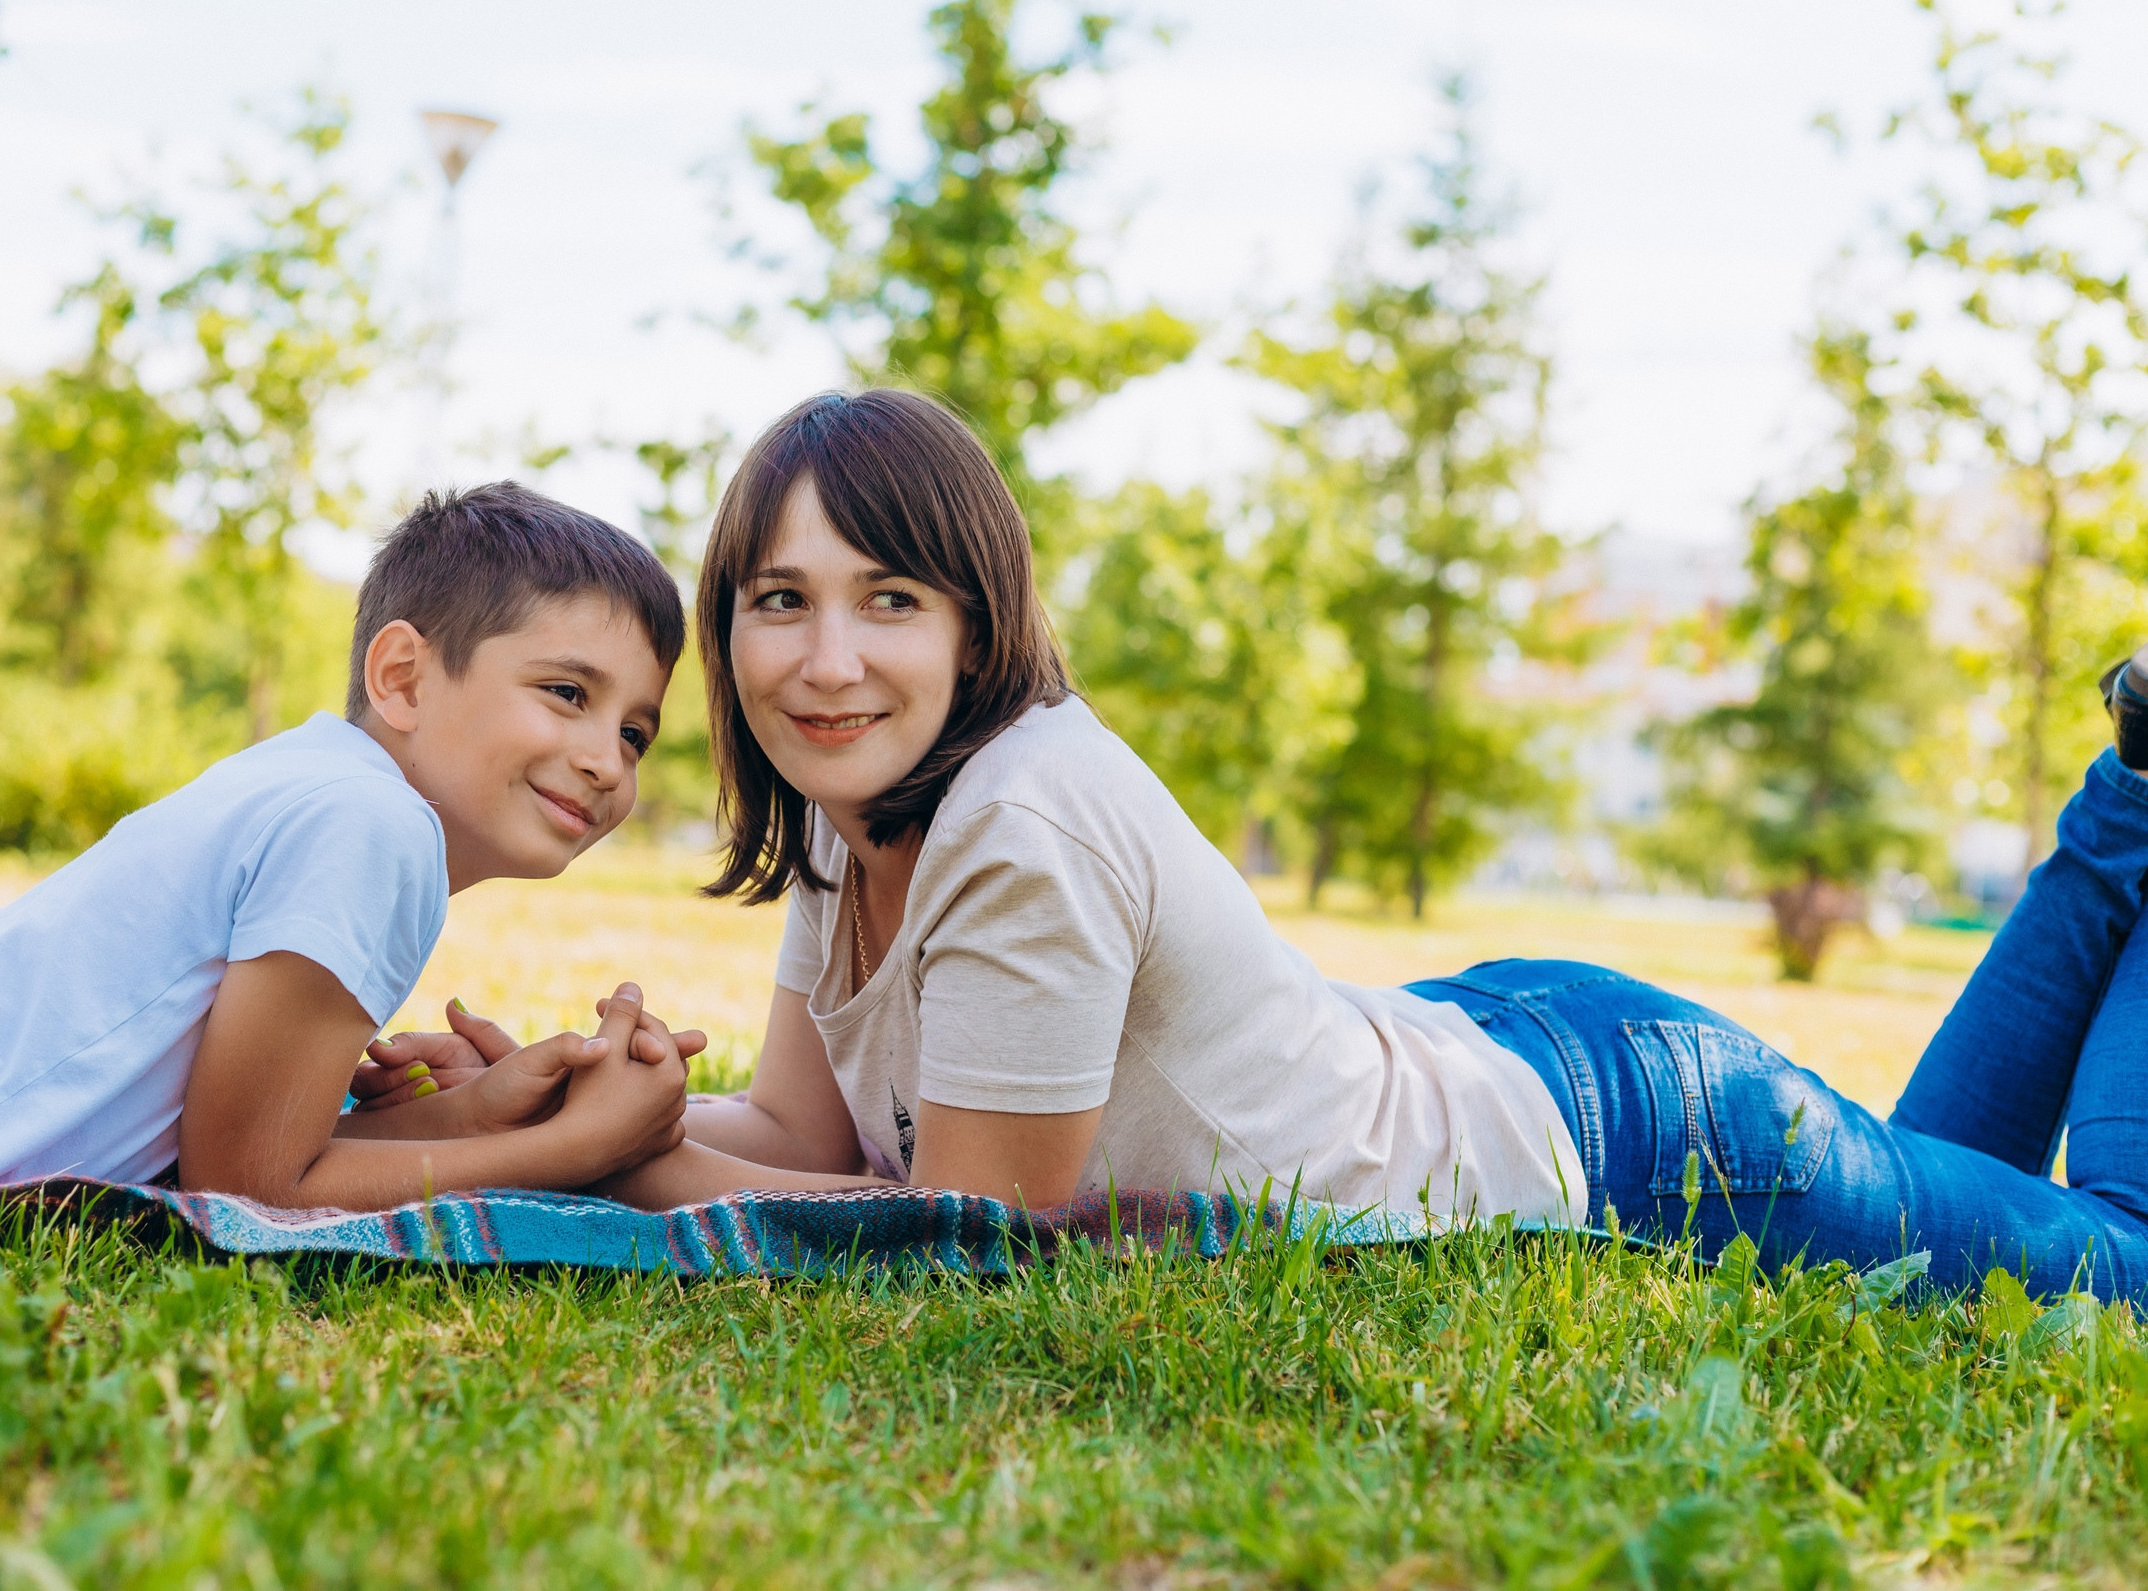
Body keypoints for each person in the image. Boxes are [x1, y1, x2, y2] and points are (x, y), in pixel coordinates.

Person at [421, 388, 2148, 1303]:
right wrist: (589, 1090)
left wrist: (615, 1158)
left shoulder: (1022, 815)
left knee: (2118, 1261)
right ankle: (2132, 801)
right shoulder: (845, 806)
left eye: (888, 599)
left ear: (974, 622)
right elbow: (803, 1131)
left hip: (1626, 1132)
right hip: (1493, 1034)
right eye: (779, 602)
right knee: (1953, 1199)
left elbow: (962, 1232)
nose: (826, 656)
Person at [0, 483, 705, 1210]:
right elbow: (247, 1184)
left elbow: (207, 1133)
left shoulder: (320, 782)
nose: (610, 760)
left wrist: (461, 1113)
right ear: (402, 677)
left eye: (635, 730)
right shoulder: (374, 830)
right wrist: (570, 1157)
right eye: (567, 693)